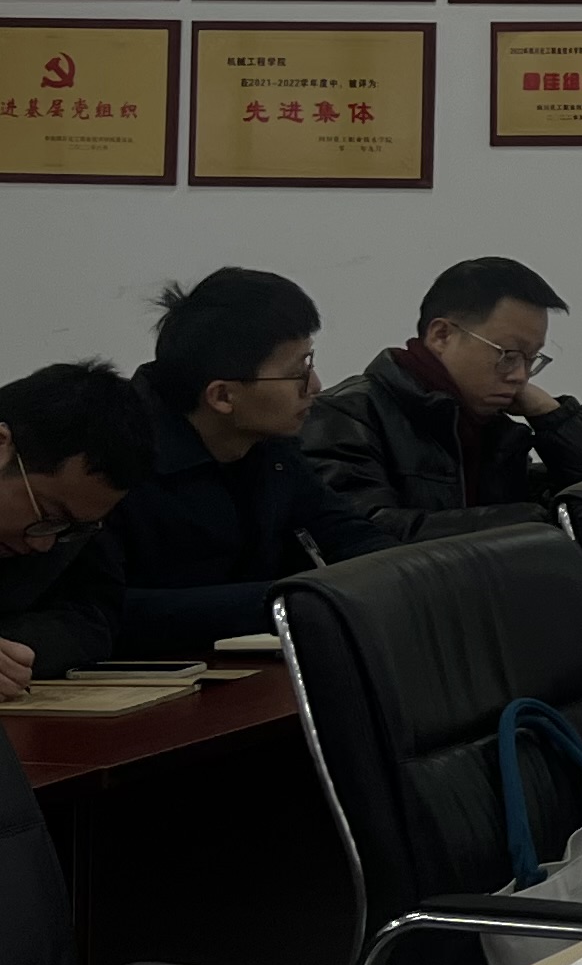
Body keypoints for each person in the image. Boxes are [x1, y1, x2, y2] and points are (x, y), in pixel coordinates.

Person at [108, 270, 377, 654]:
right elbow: (104, 608)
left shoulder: (272, 449)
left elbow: (347, 535)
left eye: (309, 363)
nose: (316, 386)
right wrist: (291, 601)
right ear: (222, 396)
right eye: (297, 374)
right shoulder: (117, 458)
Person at [302, 255, 582, 542]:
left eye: (531, 359)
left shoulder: (492, 425)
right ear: (441, 335)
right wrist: (535, 525)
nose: (520, 375)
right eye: (508, 355)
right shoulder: (346, 415)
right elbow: (365, 537)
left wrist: (552, 416)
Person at [0, 362, 152, 698]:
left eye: (71, 528)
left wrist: (11, 653)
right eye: (48, 515)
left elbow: (92, 621)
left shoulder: (75, 517)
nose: (44, 545)